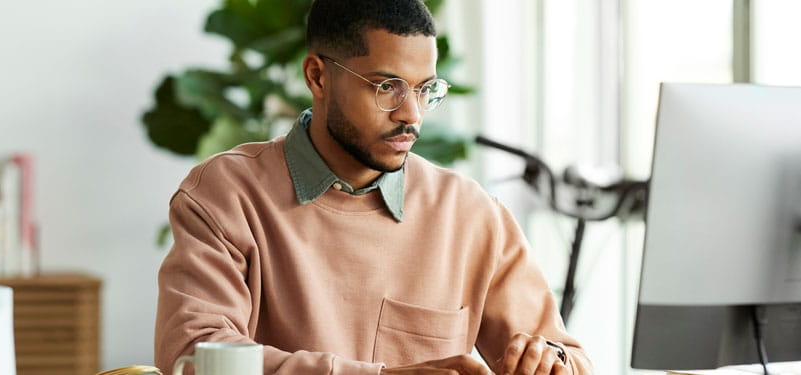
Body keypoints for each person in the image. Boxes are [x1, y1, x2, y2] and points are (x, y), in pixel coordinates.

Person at [155, 1, 592, 374]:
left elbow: (565, 355)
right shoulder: (226, 195)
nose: (412, 115)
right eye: (388, 87)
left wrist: (548, 360)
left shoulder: (471, 214)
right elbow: (193, 357)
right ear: (318, 77)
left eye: (425, 90)